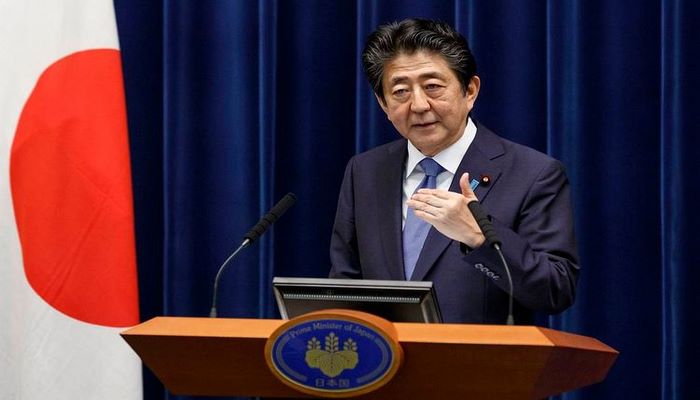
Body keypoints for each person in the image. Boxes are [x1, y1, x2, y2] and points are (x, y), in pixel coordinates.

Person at [329, 18, 579, 324]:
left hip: (479, 354)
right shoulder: (365, 171)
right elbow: (345, 285)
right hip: (386, 354)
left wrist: (478, 237)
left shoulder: (533, 174)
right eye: (401, 91)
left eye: (433, 87)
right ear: (383, 103)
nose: (419, 105)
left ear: (469, 90)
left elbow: (556, 289)